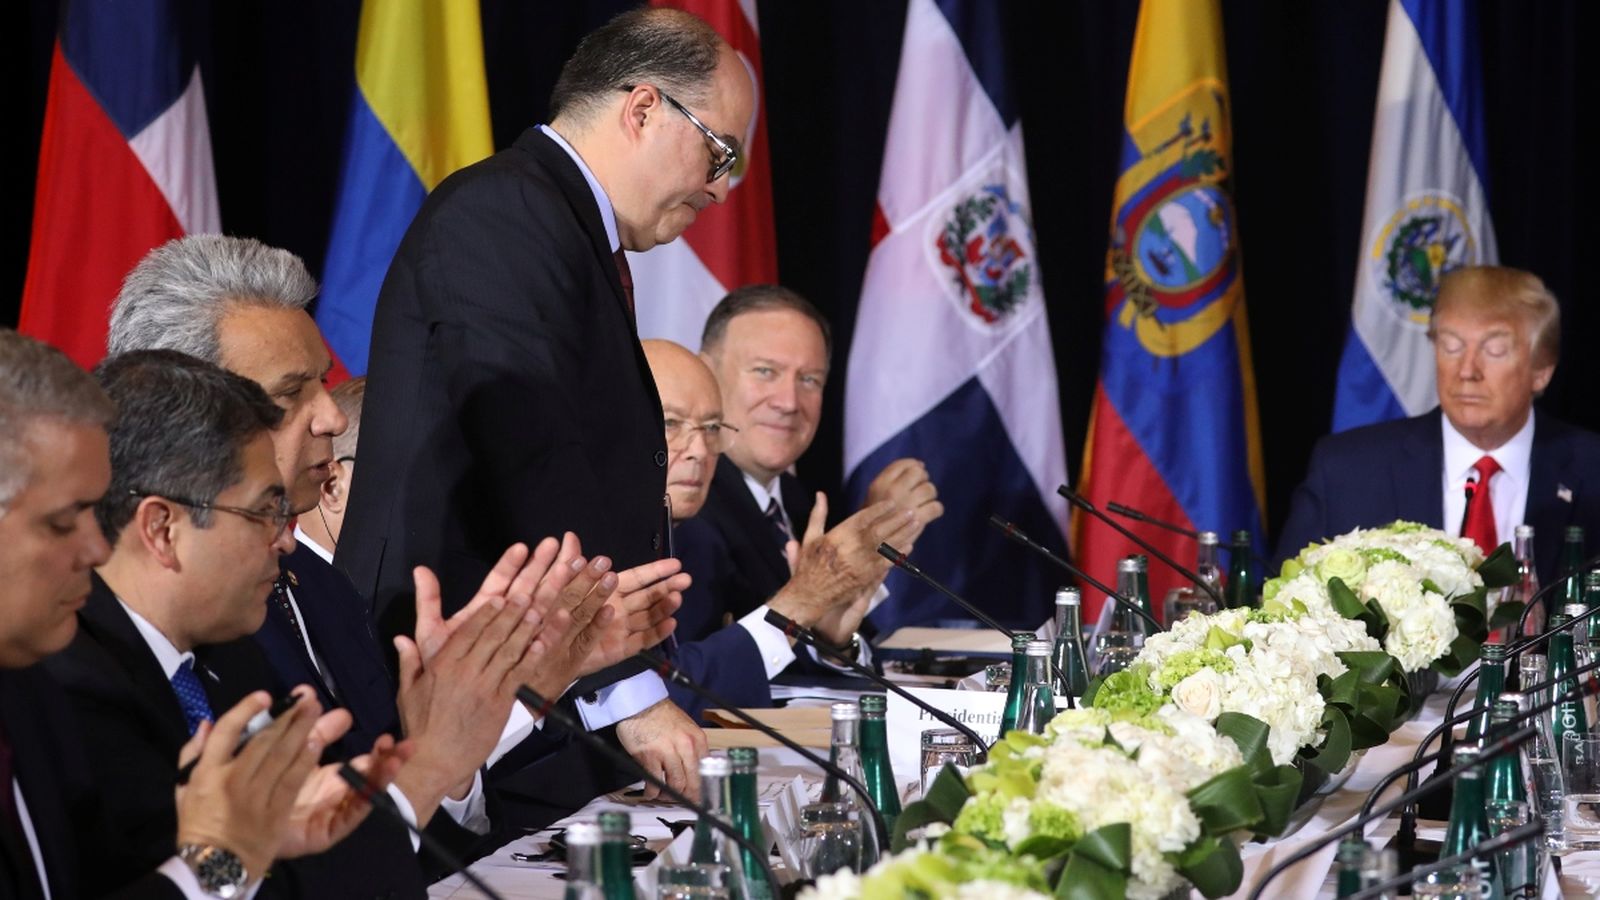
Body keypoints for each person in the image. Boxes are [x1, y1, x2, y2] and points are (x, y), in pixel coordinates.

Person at [107, 235, 684, 842]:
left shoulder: (321, 586)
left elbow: (405, 826)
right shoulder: (129, 642)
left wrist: (520, 688)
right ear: (180, 407)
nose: (331, 417)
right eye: (289, 393)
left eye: (322, 384)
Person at [336, 6, 750, 799]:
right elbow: (530, 447)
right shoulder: (506, 212)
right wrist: (631, 692)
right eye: (719, 152)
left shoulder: (558, 223)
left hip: (526, 689)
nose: (722, 189)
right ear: (642, 108)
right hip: (440, 681)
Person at [0, 329, 399, 899]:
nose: (95, 549)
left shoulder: (28, 692)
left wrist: (232, 859)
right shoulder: (70, 684)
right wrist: (219, 863)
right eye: (66, 520)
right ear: (162, 529)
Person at [644, 339, 923, 716]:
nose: (698, 450)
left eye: (711, 427)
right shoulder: (591, 540)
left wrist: (827, 637)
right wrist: (801, 603)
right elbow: (655, 698)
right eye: (671, 424)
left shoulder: (788, 498)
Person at [1277, 265, 1600, 582]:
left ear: (1541, 369)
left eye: (1494, 349)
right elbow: (1282, 610)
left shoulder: (1591, 470)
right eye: (1451, 346)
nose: (1467, 370)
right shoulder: (1346, 471)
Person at [674, 286, 944, 656]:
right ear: (706, 371)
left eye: (809, 380)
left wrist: (837, 639)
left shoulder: (799, 502)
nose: (788, 402)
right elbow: (701, 672)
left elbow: (839, 638)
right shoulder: (687, 506)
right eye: (765, 371)